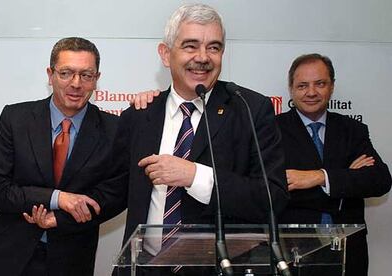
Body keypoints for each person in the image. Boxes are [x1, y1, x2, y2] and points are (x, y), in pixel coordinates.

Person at [113, 3, 288, 275]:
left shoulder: (250, 109)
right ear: (165, 53)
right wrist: (59, 206)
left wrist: (195, 176)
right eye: (191, 46)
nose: (203, 57)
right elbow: (112, 189)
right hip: (145, 268)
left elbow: (272, 196)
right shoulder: (139, 115)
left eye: (214, 47)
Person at [0, 37, 127, 276]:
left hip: (72, 260)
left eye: (86, 75)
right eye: (66, 73)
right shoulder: (15, 119)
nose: (76, 84)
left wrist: (59, 219)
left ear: (97, 79)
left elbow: (114, 197)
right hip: (6, 256)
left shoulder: (115, 129)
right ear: (50, 75)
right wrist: (58, 198)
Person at [277, 53, 392, 276]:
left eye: (320, 84)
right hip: (293, 252)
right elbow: (276, 189)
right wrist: (345, 181)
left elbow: (380, 181)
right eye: (302, 85)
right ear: (291, 89)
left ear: (332, 86)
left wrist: (319, 177)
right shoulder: (272, 130)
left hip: (349, 253)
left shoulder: (352, 130)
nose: (311, 92)